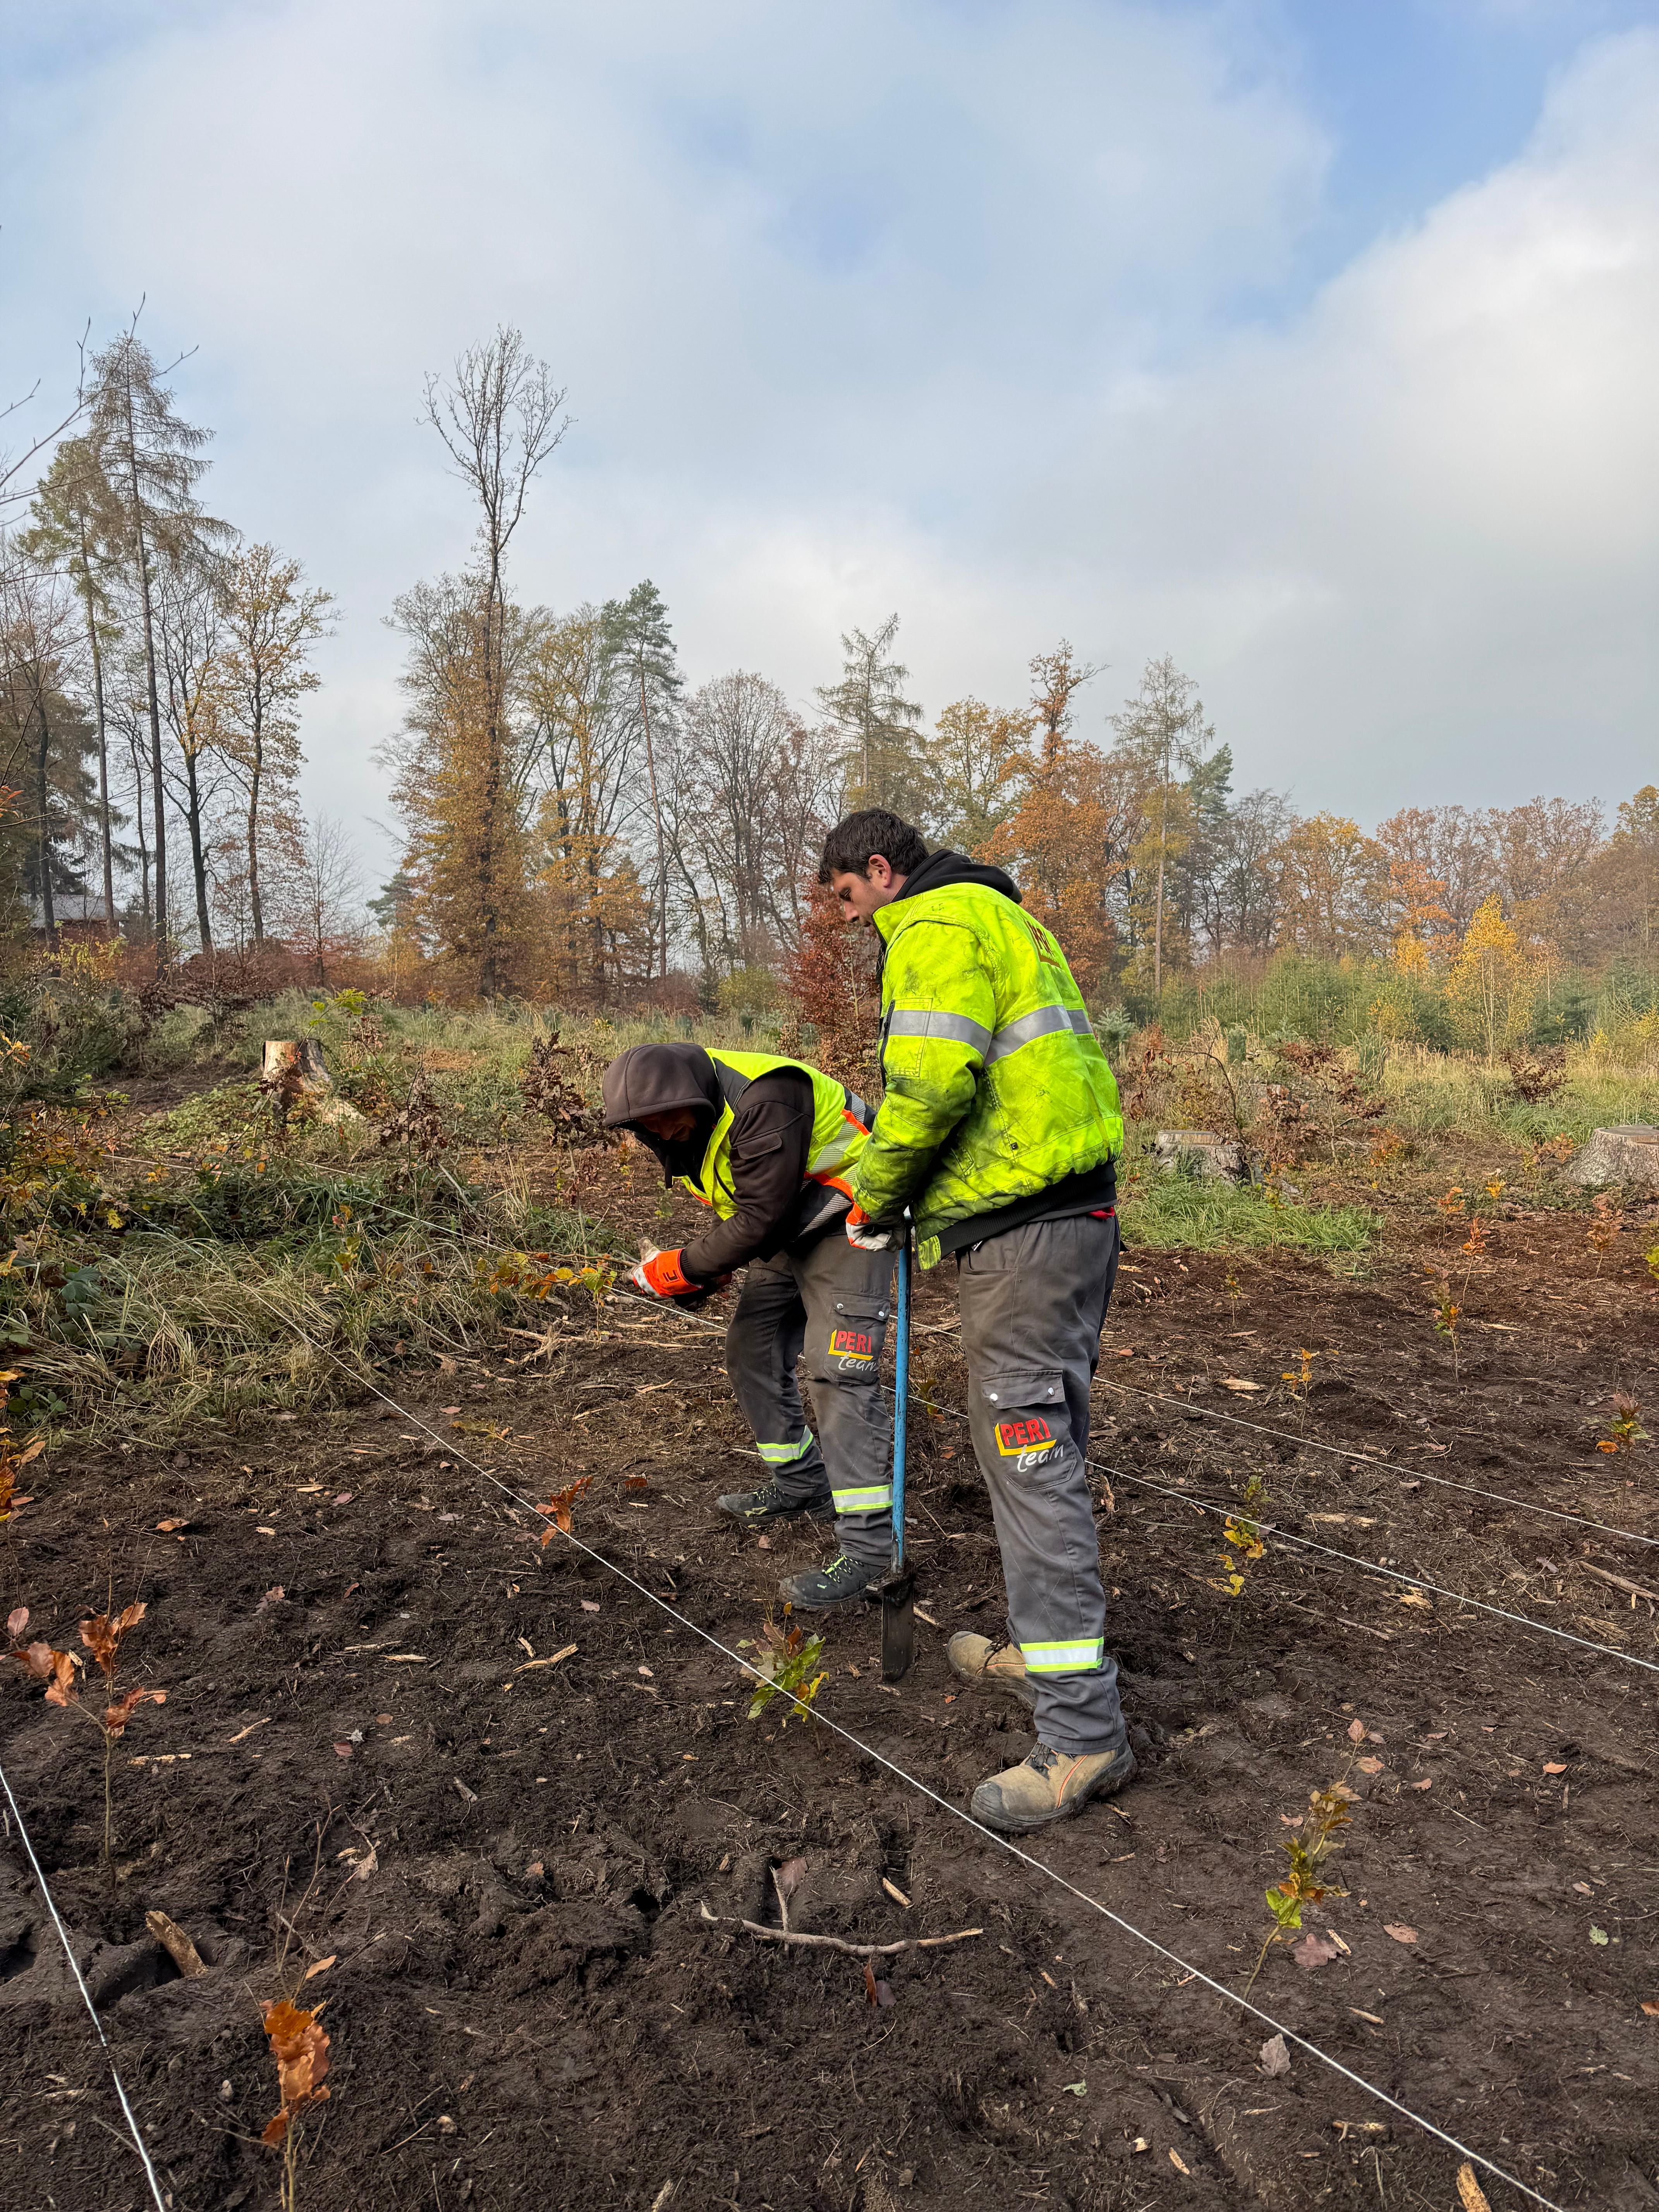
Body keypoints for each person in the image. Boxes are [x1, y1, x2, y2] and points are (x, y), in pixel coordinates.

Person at [819, 807, 1133, 1834]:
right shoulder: (1007, 921)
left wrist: (873, 1195)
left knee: (1028, 1457)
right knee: (1041, 1451)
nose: (847, 919)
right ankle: (1046, 1660)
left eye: (846, 898)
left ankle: (1081, 1735)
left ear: (878, 871)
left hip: (1024, 1229)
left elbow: (926, 1087)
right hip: (1071, 1216)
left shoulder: (933, 928)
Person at [601, 1042, 896, 1607]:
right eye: (645, 1126)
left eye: (665, 1117)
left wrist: (681, 1267)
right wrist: (706, 1275)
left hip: (853, 1215)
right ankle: (803, 1484)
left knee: (839, 1371)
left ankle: (869, 1553)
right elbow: (746, 1206)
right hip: (789, 1224)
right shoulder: (684, 1129)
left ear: (693, 1094)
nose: (659, 1131)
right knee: (751, 1350)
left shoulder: (766, 1097)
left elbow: (760, 1216)